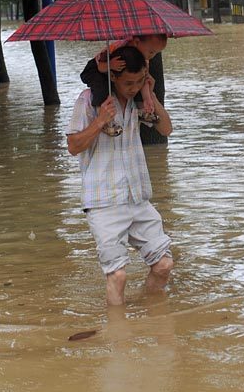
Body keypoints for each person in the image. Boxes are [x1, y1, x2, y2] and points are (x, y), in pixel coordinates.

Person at [66, 45, 174, 306]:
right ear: (113, 76)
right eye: (128, 82)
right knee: (118, 275)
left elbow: (166, 129)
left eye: (139, 81)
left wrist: (151, 96)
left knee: (164, 265)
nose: (133, 88)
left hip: (138, 197)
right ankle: (119, 333)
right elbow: (73, 146)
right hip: (104, 202)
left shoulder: (140, 100)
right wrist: (100, 120)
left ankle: (149, 311)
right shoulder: (88, 100)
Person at [81, 35, 168, 135]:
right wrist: (110, 64)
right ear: (136, 42)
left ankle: (140, 112)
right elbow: (100, 67)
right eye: (151, 52)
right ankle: (103, 118)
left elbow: (144, 79)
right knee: (101, 86)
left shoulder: (144, 58)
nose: (152, 56)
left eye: (156, 53)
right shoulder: (117, 48)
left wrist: (148, 98)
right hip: (98, 68)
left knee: (139, 81)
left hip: (111, 71)